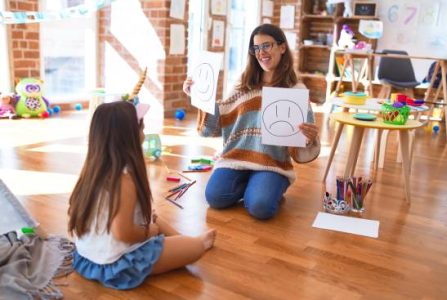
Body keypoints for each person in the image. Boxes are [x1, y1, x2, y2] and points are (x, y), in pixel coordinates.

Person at [67, 100, 216, 290]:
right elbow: (122, 233)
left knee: (152, 216)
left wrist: (150, 226)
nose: (144, 135)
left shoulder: (93, 169)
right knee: (194, 249)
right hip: (116, 264)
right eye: (142, 128)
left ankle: (184, 240)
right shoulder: (124, 180)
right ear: (128, 137)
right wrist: (150, 231)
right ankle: (193, 242)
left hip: (87, 256)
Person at [183, 24, 320, 220]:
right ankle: (256, 186)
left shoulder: (295, 90)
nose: (261, 52)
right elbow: (221, 117)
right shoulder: (243, 83)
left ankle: (266, 187)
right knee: (214, 198)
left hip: (271, 163)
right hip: (236, 158)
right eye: (256, 48)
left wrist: (309, 138)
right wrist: (197, 94)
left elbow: (301, 145)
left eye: (267, 46)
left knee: (260, 207)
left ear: (282, 48)